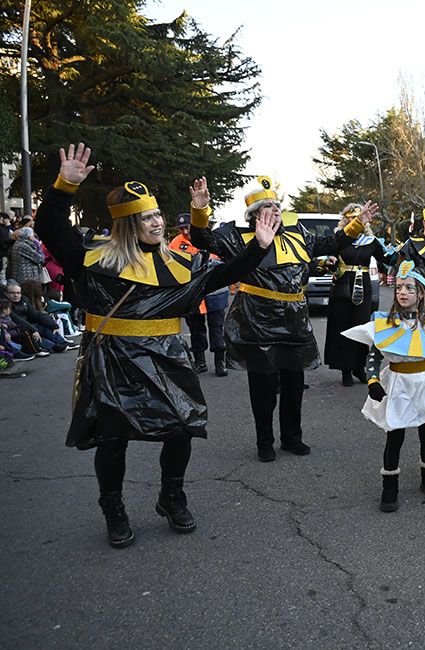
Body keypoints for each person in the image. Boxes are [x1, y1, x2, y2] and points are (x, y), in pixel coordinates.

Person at [34, 143, 280, 548]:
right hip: (112, 358)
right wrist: (63, 188)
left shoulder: (181, 264)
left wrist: (258, 247)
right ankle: (113, 507)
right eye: (146, 217)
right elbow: (50, 228)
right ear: (128, 224)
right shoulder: (94, 259)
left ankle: (172, 495)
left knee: (181, 427)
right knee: (113, 438)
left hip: (166, 356)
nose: (156, 222)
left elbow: (223, 277)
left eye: (157, 215)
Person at [190, 177, 376, 462]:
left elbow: (330, 243)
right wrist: (200, 209)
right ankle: (264, 441)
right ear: (253, 217)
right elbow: (202, 239)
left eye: (277, 206)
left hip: (294, 320)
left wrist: (357, 223)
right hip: (256, 319)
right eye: (267, 208)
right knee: (263, 386)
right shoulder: (238, 237)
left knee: (293, 382)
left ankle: (292, 438)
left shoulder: (297, 233)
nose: (275, 211)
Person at [342, 261, 425, 512]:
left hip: (424, 383)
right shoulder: (385, 324)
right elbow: (374, 357)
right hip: (398, 384)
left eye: (409, 288)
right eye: (399, 288)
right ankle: (389, 484)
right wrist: (372, 382)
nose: (403, 292)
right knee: (395, 436)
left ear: (422, 293)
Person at [324, 203, 395, 386]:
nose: (355, 221)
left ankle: (359, 367)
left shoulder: (371, 241)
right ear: (346, 219)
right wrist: (329, 263)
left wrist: (401, 256)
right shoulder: (339, 239)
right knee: (343, 328)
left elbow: (385, 261)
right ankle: (345, 370)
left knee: (362, 327)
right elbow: (328, 259)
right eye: (351, 218)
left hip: (363, 288)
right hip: (342, 288)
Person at [169, 213, 229, 376]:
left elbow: (224, 262)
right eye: (181, 228)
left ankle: (220, 362)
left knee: (216, 326)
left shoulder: (209, 239)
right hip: (192, 293)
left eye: (187, 227)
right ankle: (200, 361)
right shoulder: (176, 243)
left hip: (214, 291)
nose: (185, 232)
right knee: (195, 328)